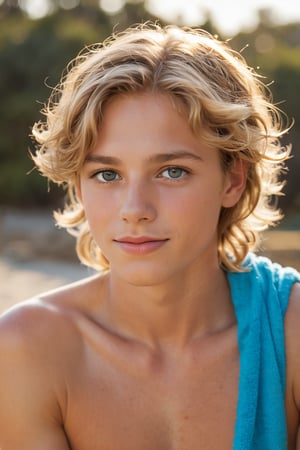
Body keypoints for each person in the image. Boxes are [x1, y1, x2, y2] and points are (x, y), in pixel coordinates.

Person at [0, 22, 299, 450]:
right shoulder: (27, 351)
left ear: (232, 180)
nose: (135, 209)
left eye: (172, 171)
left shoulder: (291, 335)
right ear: (79, 187)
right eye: (107, 174)